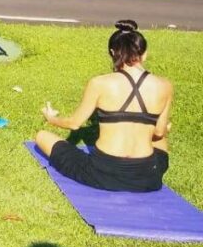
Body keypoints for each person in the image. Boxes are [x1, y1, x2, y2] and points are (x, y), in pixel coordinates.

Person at [35, 20, 172, 192]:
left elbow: (74, 124)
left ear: (113, 52)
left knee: (42, 136)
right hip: (146, 177)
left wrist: (51, 118)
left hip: (102, 174)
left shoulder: (99, 83)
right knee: (161, 138)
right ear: (144, 54)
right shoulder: (164, 85)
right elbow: (159, 133)